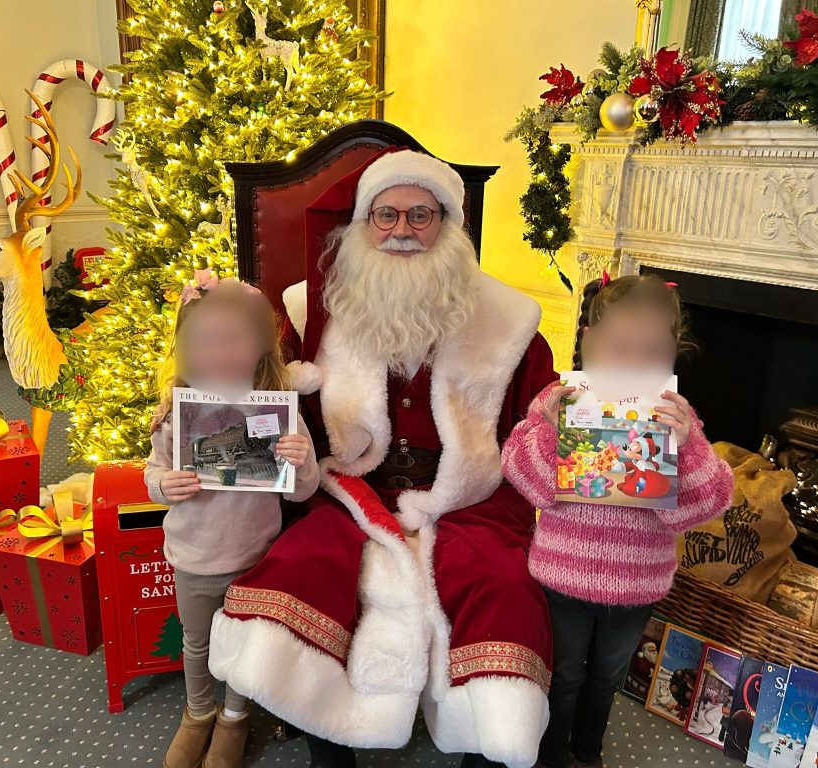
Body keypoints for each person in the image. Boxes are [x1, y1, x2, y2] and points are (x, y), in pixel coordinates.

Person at [207, 149, 557, 768]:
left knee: (502, 584)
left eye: (420, 215)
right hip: (343, 488)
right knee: (301, 564)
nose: (401, 231)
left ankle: (488, 746)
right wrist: (202, 415)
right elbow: (261, 389)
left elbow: (539, 421)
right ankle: (328, 749)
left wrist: (567, 422)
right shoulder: (307, 309)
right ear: (362, 225)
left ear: (448, 225)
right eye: (385, 215)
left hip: (467, 499)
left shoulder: (511, 323)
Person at [501, 274, 734, 768]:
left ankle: (587, 752)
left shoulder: (676, 415)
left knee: (606, 677)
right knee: (562, 676)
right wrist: (547, 425)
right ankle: (550, 755)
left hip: (637, 585)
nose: (633, 363)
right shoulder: (560, 402)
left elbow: (707, 502)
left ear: (675, 353)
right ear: (587, 343)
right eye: (620, 348)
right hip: (562, 578)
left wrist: (689, 444)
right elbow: (527, 477)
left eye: (652, 353)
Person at [145, 276, 320, 768]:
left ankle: (234, 718)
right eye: (206, 341)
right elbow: (151, 472)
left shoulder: (278, 407)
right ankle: (198, 713)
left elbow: (302, 489)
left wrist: (302, 459)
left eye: (236, 340)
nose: (221, 354)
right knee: (196, 643)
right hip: (194, 558)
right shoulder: (174, 411)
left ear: (261, 348)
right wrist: (162, 485)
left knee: (244, 645)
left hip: (256, 559)